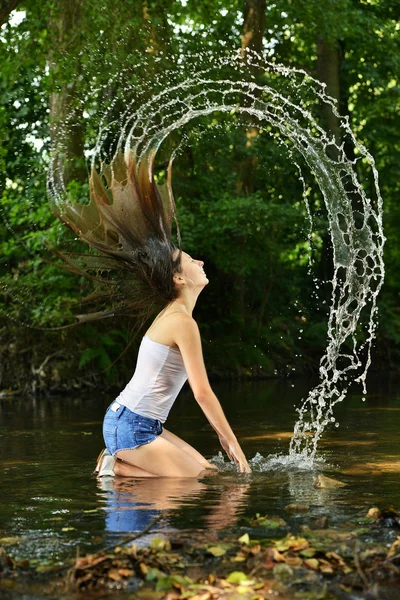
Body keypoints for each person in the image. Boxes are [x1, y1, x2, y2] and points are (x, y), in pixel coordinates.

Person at [53, 150, 251, 478]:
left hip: (135, 422)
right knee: (201, 482)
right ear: (178, 278)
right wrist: (233, 443)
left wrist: (222, 436)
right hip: (130, 425)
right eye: (191, 260)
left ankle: (118, 461)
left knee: (211, 471)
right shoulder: (181, 322)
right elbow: (202, 392)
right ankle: (116, 467)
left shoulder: (172, 315)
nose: (200, 262)